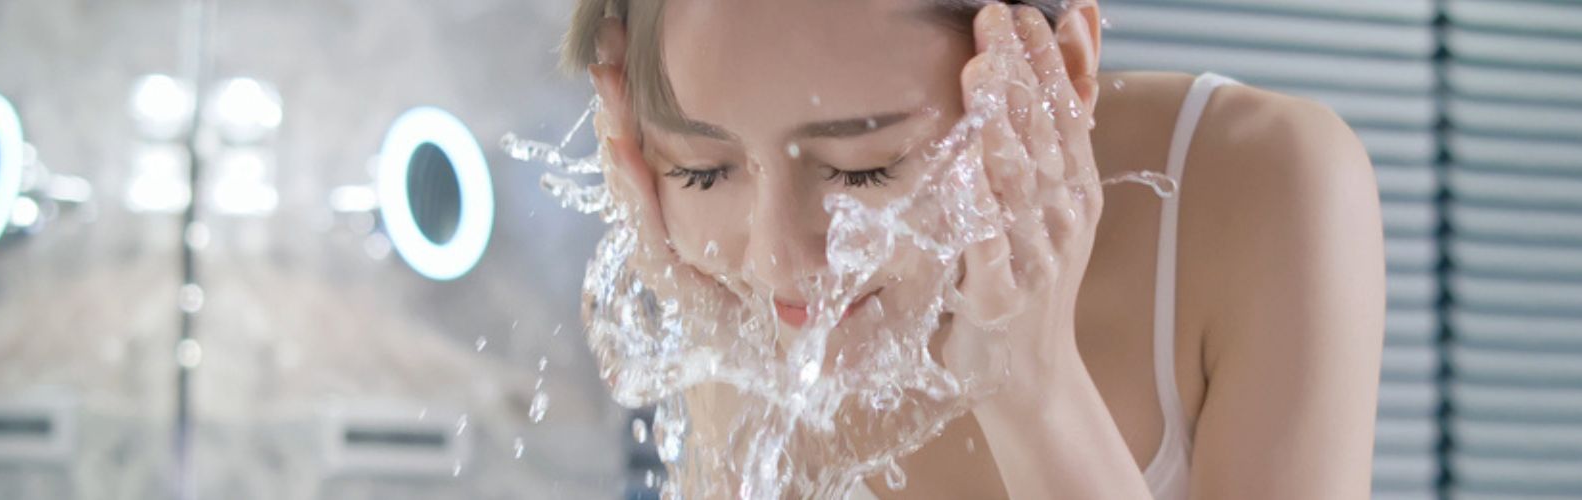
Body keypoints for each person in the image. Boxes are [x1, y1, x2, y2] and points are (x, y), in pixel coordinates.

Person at [563, 0, 1387, 498]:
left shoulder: (1262, 187)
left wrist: (1030, 382)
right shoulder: (733, 288)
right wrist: (722, 362)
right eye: (704, 171)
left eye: (863, 167)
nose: (777, 263)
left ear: (1057, 72)